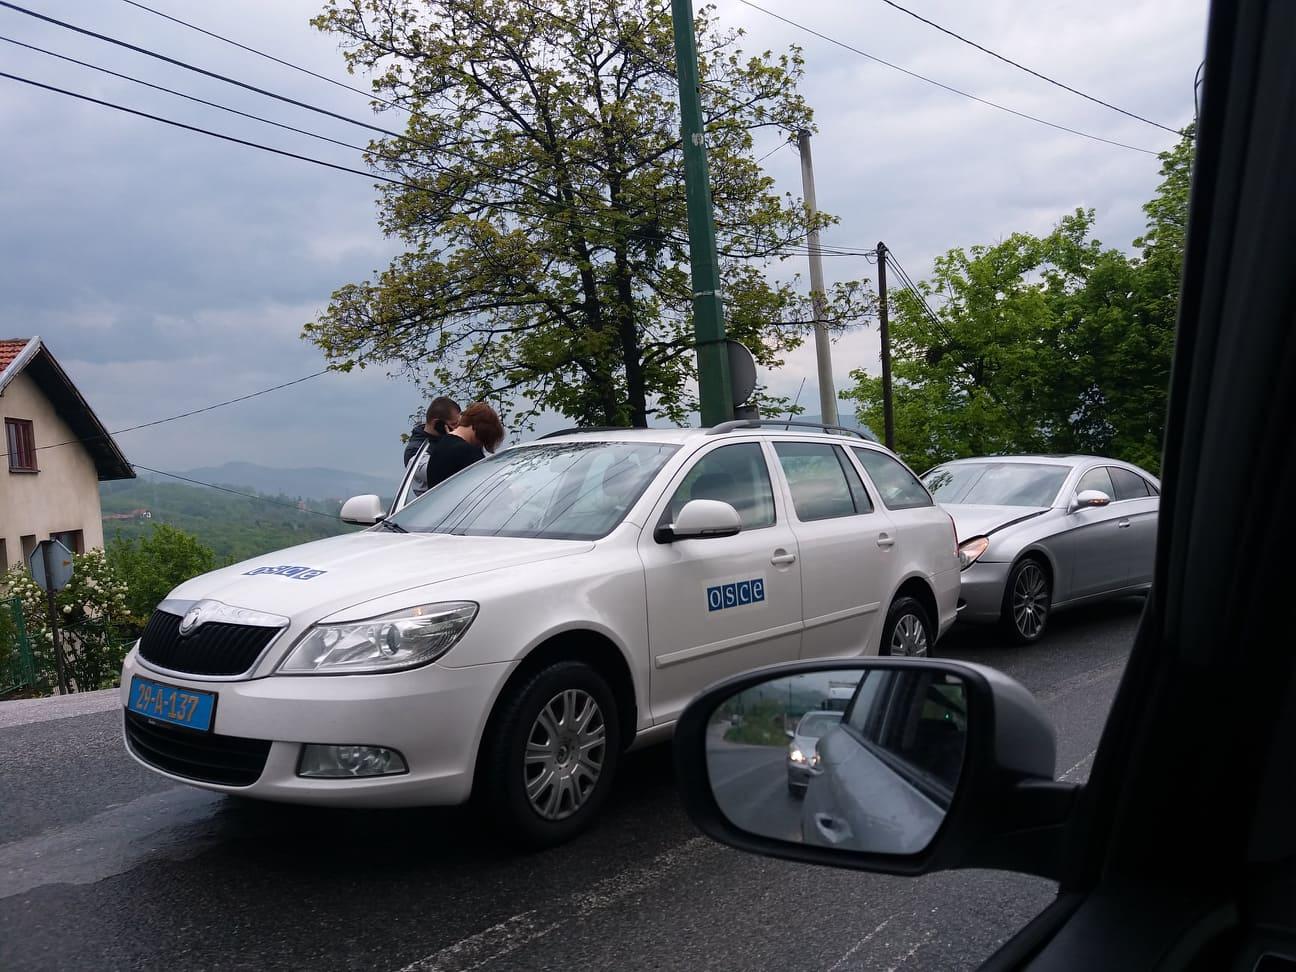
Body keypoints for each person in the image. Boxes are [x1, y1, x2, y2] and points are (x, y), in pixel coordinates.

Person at [420, 402, 506, 492]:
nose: (481, 445)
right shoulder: (467, 453)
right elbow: (494, 489)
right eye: (484, 440)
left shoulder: (440, 446)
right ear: (481, 431)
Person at [402, 397, 461, 468]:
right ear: (438, 423)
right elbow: (436, 472)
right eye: (454, 424)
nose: (458, 428)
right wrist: (453, 445)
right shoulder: (416, 452)